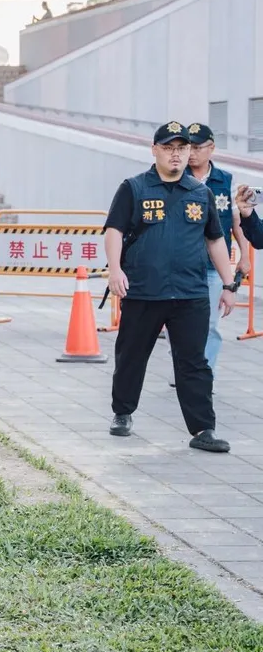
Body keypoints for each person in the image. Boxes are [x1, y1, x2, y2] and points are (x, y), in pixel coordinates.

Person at [103, 121, 237, 454]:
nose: (176, 155)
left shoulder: (200, 192)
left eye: (181, 148)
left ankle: (203, 428)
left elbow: (215, 239)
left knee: (194, 362)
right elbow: (114, 231)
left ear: (189, 152)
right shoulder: (134, 188)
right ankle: (122, 412)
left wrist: (229, 283)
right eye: (168, 148)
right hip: (144, 291)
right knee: (132, 355)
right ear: (155, 150)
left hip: (190, 293)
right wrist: (115, 270)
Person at [183, 123, 249, 373]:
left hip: (213, 266)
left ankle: (203, 374)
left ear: (211, 148)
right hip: (181, 263)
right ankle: (184, 367)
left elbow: (236, 221)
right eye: (189, 147)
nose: (191, 153)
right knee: (178, 323)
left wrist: (244, 255)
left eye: (197, 147)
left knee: (210, 324)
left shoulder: (226, 181)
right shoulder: (176, 176)